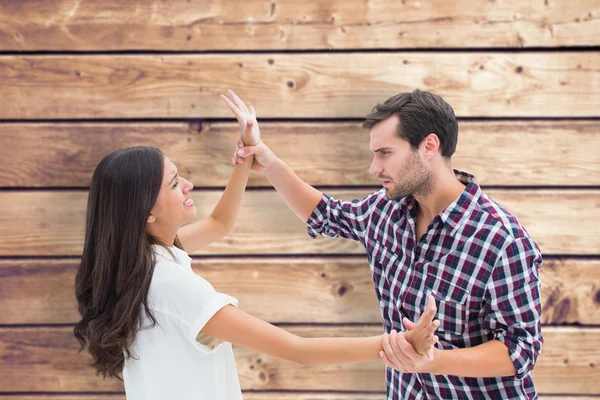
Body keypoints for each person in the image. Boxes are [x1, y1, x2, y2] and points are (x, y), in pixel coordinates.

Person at [73, 92, 438, 400]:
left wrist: (248, 155)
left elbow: (220, 223)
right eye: (172, 184)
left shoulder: (137, 263)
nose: (188, 185)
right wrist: (401, 342)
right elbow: (296, 350)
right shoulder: (173, 287)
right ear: (147, 212)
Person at [230, 89, 543, 399]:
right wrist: (268, 162)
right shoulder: (385, 211)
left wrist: (433, 362)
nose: (374, 167)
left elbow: (520, 350)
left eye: (385, 153)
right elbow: (325, 214)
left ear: (429, 146)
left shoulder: (502, 240)